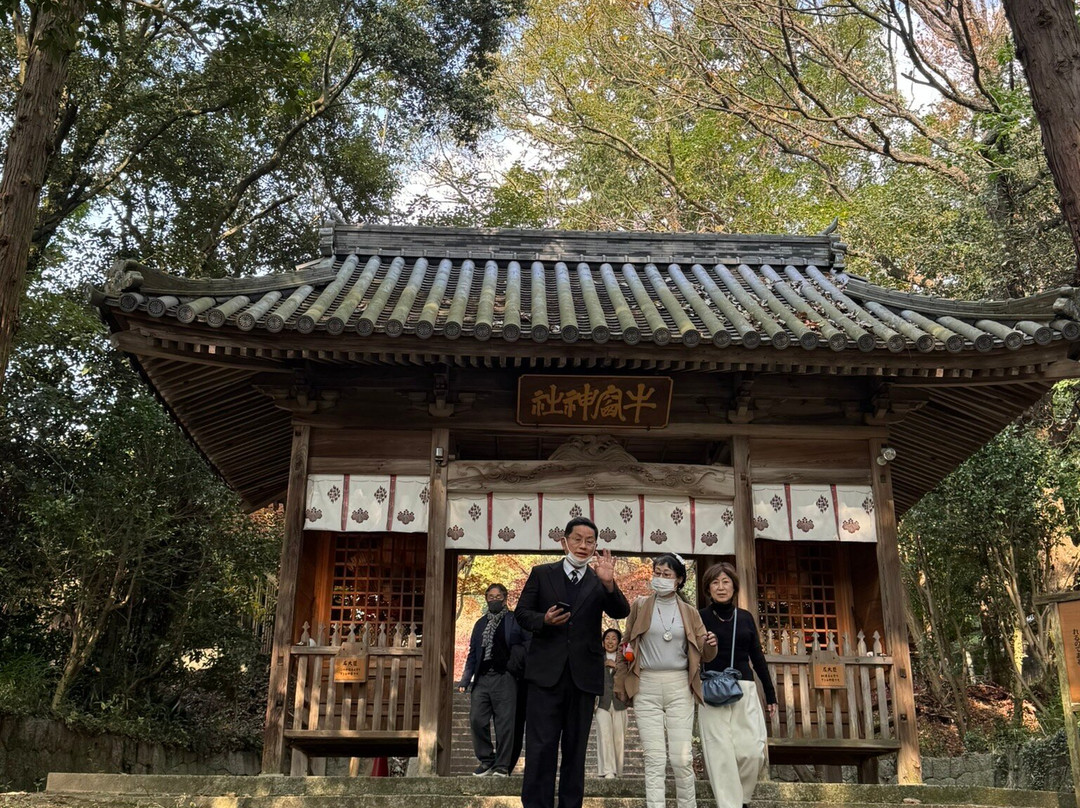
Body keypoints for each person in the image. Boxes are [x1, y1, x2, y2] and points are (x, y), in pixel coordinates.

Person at [516, 516, 630, 808]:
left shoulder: (598, 579)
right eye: (577, 539)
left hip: (583, 677)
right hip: (545, 676)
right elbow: (522, 614)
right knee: (541, 748)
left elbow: (621, 610)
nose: (583, 545)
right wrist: (545, 619)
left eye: (589, 541)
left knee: (575, 750)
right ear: (564, 541)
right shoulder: (542, 573)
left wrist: (609, 583)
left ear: (595, 546)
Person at [615, 553, 717, 808]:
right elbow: (625, 645)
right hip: (646, 683)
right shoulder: (639, 605)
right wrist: (619, 683)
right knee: (654, 758)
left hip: (680, 685)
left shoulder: (691, 613)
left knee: (681, 758)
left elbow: (705, 653)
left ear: (679, 579)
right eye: (657, 573)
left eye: (667, 574)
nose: (660, 579)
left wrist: (711, 645)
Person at [697, 562, 777, 808]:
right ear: (708, 589)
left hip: (743, 687)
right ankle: (731, 805)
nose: (720, 587)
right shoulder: (699, 617)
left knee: (751, 751)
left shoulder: (745, 618)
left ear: (734, 586)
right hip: (710, 689)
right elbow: (688, 654)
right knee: (719, 753)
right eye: (715, 582)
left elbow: (757, 656)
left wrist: (771, 694)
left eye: (725, 582)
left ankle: (741, 799)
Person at [458, 582, 529, 777]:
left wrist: (514, 665)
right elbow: (473, 652)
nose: (494, 600)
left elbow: (527, 644)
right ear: (486, 598)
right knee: (476, 719)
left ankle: (502, 765)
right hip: (482, 677)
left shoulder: (515, 619)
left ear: (505, 598)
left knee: (505, 723)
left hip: (505, 677)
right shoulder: (480, 623)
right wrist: (465, 680)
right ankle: (486, 759)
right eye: (491, 597)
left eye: (498, 597)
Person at [593, 627, 628, 779]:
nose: (610, 641)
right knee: (604, 736)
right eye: (607, 638)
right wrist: (603, 664)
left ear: (619, 642)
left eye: (614, 638)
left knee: (619, 739)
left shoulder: (625, 658)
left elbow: (630, 674)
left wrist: (616, 666)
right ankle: (608, 770)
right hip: (602, 703)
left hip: (620, 703)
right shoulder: (596, 658)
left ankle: (618, 771)